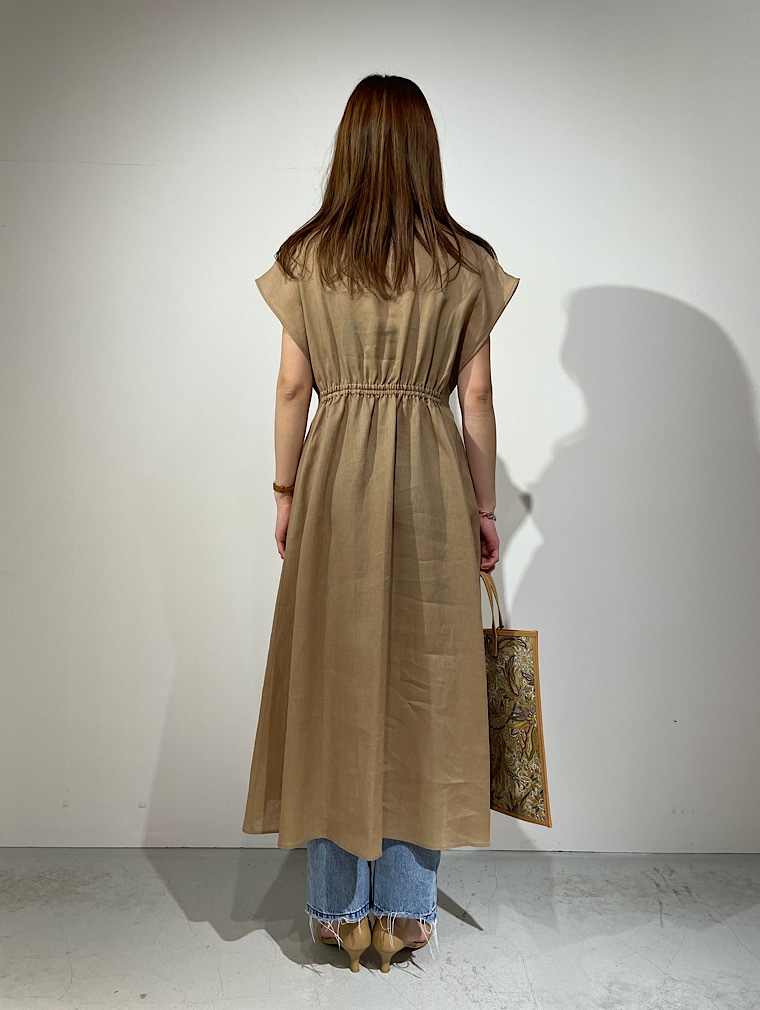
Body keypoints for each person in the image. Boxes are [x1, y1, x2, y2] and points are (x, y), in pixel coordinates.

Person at [242, 73, 520, 973]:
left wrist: (285, 492)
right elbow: (478, 396)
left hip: (335, 484)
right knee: (423, 684)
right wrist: (484, 507)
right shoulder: (465, 263)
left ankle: (336, 911)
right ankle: (403, 912)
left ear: (349, 149)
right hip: (431, 482)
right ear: (425, 153)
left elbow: (293, 386)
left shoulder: (309, 258)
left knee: (334, 679)